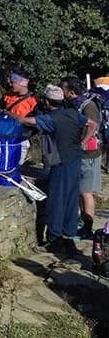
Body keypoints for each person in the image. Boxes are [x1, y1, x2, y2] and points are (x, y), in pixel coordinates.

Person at [12, 85, 95, 257]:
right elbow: (92, 124)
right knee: (72, 200)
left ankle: (54, 239)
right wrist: (83, 141)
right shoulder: (72, 114)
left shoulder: (51, 118)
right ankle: (69, 236)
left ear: (47, 102)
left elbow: (27, 121)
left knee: (57, 200)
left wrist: (11, 115)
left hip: (59, 162)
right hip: (75, 160)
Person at [60, 77, 102, 239]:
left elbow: (93, 126)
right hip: (78, 153)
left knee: (86, 191)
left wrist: (82, 142)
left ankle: (88, 227)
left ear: (71, 91)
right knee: (79, 190)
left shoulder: (88, 106)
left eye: (63, 89)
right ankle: (81, 223)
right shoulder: (75, 104)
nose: (61, 91)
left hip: (88, 154)